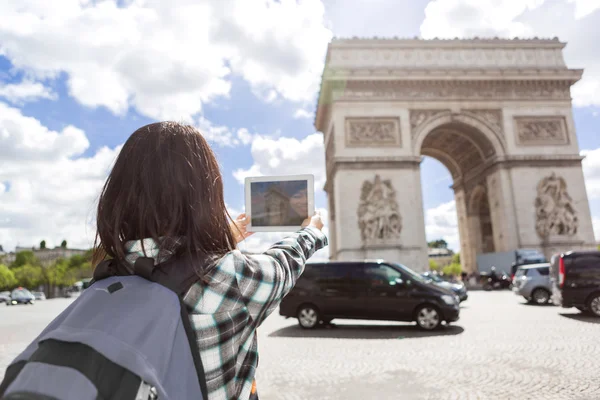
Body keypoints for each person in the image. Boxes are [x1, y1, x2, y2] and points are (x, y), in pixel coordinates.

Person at [92, 122, 328, 400]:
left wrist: (221, 241)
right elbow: (282, 265)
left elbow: (168, 261)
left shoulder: (106, 275)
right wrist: (311, 231)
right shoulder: (230, 277)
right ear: (204, 193)